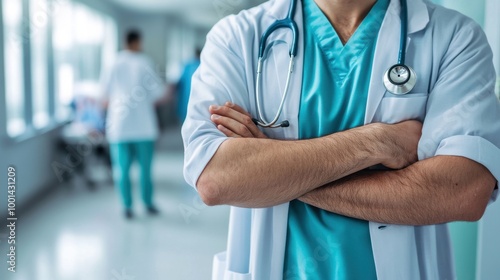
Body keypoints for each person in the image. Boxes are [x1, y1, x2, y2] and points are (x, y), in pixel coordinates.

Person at [182, 0, 500, 279]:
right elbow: (216, 179)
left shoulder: (455, 37)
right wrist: (376, 142)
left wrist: (269, 172)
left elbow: (463, 191)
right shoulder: (237, 37)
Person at [101, 30, 164, 219]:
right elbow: (158, 93)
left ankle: (127, 207)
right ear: (137, 42)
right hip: (144, 126)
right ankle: (148, 203)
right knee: (145, 169)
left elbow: (103, 95)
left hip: (119, 125)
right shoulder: (144, 62)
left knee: (122, 169)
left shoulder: (112, 62)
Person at [175, 48, 201, 123]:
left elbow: (180, 81)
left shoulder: (188, 66)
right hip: (198, 98)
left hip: (185, 98)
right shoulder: (204, 65)